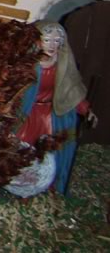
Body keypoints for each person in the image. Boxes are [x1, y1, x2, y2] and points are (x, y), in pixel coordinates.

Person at [8, 21, 98, 196]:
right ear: (37, 41)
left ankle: (50, 185)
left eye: (57, 41)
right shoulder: (26, 64)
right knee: (21, 146)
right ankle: (18, 184)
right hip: (26, 113)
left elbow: (70, 93)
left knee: (52, 150)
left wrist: (86, 110)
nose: (52, 45)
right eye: (47, 40)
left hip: (51, 115)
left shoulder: (62, 65)